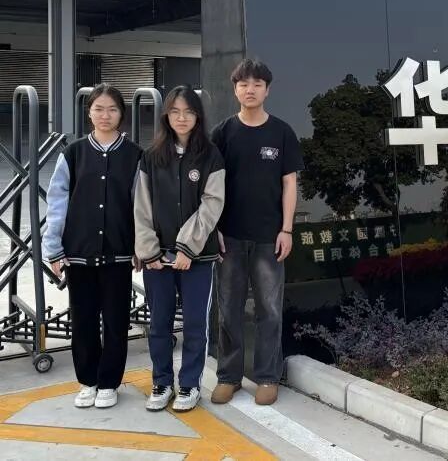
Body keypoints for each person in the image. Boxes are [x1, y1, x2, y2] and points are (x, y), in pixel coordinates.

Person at [210, 59, 303, 406]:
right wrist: (214, 229)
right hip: (229, 237)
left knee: (269, 310)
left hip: (269, 237)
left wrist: (287, 229)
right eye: (243, 84)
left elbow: (289, 183)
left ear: (267, 90)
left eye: (257, 84)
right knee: (229, 309)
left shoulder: (281, 132)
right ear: (235, 89)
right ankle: (228, 377)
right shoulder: (222, 133)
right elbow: (210, 186)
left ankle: (267, 377)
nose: (250, 90)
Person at [42, 83, 142, 409]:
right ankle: (88, 381)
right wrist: (54, 249)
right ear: (89, 113)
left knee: (116, 321)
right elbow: (57, 202)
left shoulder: (135, 155)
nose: (105, 115)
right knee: (83, 321)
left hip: (119, 252)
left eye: (112, 109)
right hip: (78, 253)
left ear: (121, 114)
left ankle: (109, 382)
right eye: (98, 109)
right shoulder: (73, 153)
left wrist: (141, 246)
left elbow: (141, 206)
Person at [134, 86, 225, 412]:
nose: (181, 118)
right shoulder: (151, 156)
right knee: (159, 323)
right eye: (175, 112)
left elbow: (212, 204)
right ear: (166, 116)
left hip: (197, 258)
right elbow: (141, 207)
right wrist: (149, 250)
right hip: (157, 259)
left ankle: (189, 385)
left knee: (195, 325)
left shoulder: (211, 155)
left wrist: (187, 248)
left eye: (188, 112)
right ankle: (161, 382)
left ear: (197, 116)